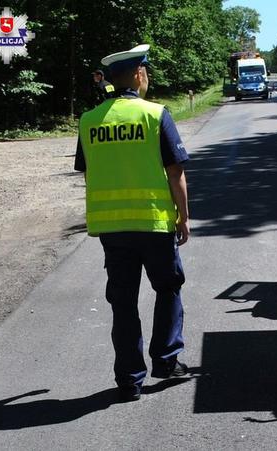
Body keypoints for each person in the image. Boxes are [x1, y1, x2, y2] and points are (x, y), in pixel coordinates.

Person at [74, 44, 190, 402]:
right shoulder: (155, 115)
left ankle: (129, 380)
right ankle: (167, 360)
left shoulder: (89, 120)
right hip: (153, 224)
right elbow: (175, 172)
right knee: (168, 288)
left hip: (112, 229)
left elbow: (87, 170)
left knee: (122, 302)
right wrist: (183, 217)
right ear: (139, 74)